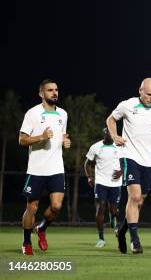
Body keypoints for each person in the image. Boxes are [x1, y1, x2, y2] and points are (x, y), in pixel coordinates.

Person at [107, 78, 151, 254]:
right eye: (149, 94)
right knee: (134, 197)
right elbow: (111, 120)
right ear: (140, 91)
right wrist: (114, 136)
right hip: (129, 157)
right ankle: (135, 240)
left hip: (149, 161)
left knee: (139, 201)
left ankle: (122, 231)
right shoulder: (127, 105)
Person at [19, 79, 71, 255]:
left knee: (56, 206)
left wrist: (65, 141)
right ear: (41, 94)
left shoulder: (63, 114)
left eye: (56, 89)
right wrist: (40, 137)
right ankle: (26, 242)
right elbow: (22, 139)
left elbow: (63, 135)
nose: (54, 93)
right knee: (32, 207)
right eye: (50, 90)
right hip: (36, 169)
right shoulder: (32, 113)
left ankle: (41, 228)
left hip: (56, 168)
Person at [84, 127, 123, 248]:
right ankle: (101, 238)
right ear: (104, 134)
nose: (109, 135)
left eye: (111, 133)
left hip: (115, 183)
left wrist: (121, 171)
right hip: (100, 182)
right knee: (100, 208)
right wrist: (90, 177)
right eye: (107, 133)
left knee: (114, 210)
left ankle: (114, 220)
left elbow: (125, 163)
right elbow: (87, 164)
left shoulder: (120, 146)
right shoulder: (95, 147)